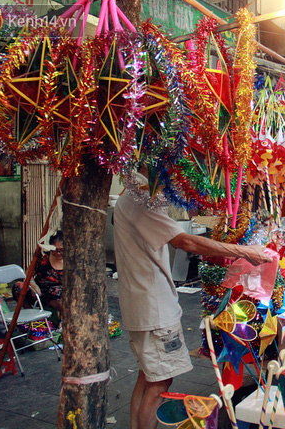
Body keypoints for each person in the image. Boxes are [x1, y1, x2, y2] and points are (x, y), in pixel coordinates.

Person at [113, 170, 272, 429]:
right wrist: (244, 251)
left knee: (149, 377)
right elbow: (186, 242)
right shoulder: (141, 197)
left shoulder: (133, 193)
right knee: (159, 383)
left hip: (143, 303)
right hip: (153, 308)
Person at [13, 231, 64, 319]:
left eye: (61, 250)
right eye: (55, 250)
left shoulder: (72, 261)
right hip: (39, 290)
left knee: (60, 299)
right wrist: (33, 284)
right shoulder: (43, 258)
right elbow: (28, 274)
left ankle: (62, 320)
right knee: (18, 287)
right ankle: (31, 315)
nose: (58, 253)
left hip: (59, 293)